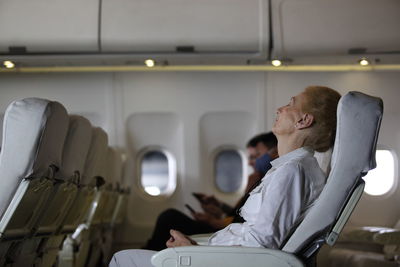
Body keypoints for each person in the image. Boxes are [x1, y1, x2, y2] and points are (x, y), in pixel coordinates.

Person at [109, 86, 341, 267]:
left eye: (291, 104)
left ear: (304, 120)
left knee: (122, 259)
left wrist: (191, 252)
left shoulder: (293, 171)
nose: (280, 109)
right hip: (219, 252)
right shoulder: (291, 168)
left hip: (222, 259)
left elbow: (262, 246)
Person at [141, 132, 278, 251]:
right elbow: (239, 213)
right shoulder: (257, 178)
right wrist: (219, 207)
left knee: (169, 217)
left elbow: (245, 222)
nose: (250, 163)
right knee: (169, 218)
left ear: (274, 152)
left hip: (226, 231)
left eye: (256, 156)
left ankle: (150, 254)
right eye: (249, 158)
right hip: (227, 227)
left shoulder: (272, 180)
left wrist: (213, 221)